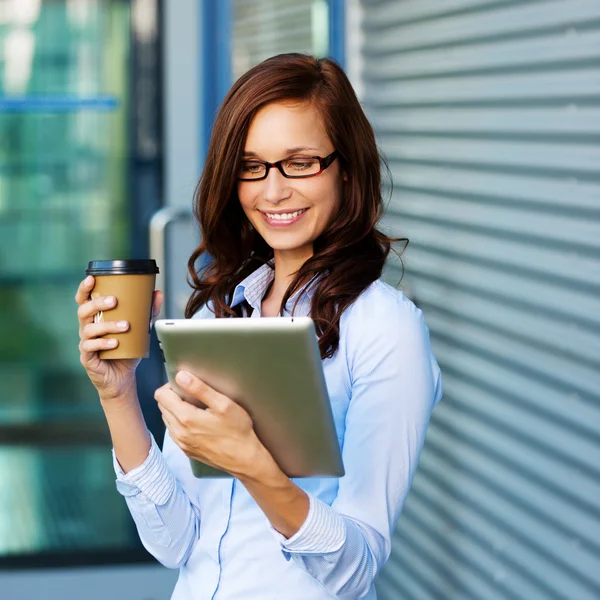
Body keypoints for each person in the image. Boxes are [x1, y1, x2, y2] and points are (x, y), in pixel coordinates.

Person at [75, 53, 442, 600]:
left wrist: (254, 467)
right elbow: (174, 545)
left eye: (299, 162)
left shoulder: (385, 330)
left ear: (346, 166)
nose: (272, 192)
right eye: (251, 166)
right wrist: (117, 394)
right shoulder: (219, 315)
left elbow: (356, 567)